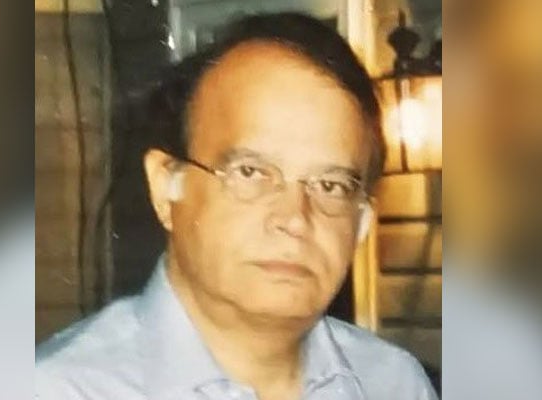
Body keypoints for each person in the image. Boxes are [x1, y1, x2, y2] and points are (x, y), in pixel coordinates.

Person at [36, 13, 437, 400]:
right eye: (251, 173)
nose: (295, 219)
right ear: (165, 186)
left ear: (362, 222)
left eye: (330, 185)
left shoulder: (394, 385)